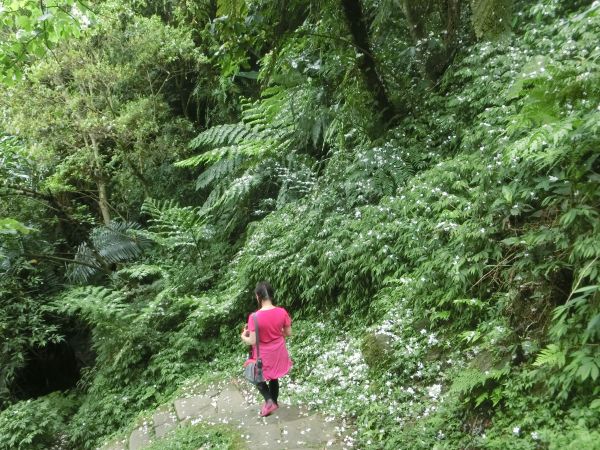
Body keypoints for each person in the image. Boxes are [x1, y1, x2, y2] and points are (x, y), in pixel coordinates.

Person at [241, 281, 292, 417]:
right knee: (274, 377)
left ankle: (269, 401)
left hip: (263, 354)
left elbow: (252, 340)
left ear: (258, 296)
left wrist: (243, 336)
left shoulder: (254, 317)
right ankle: (273, 403)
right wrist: (275, 334)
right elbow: (288, 333)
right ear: (271, 295)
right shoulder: (282, 312)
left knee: (257, 377)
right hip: (279, 351)